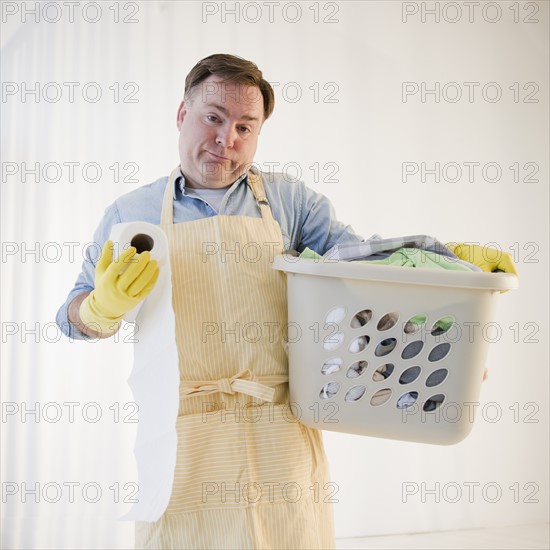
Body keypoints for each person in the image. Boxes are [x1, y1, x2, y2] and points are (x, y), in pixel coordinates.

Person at [56, 53, 517, 549]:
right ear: (181, 114)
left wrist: (445, 302)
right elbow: (71, 317)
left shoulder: (289, 201)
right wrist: (101, 308)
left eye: (245, 127)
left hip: (281, 425)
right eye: (214, 117)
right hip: (184, 438)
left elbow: (361, 278)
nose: (226, 139)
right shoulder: (131, 214)